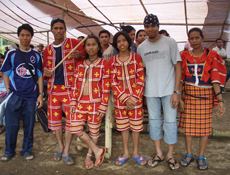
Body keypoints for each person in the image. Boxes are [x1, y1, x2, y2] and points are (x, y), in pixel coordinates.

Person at [137, 14, 182, 171]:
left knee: (170, 124)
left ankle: (170, 154)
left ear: (158, 26)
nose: (150, 29)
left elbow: (178, 67)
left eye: (153, 26)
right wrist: (142, 94)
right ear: (144, 28)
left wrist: (177, 91)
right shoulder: (141, 47)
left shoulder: (170, 42)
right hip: (150, 92)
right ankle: (159, 153)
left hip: (169, 90)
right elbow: (141, 71)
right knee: (154, 123)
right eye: (147, 26)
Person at [179, 28, 226, 171]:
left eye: (196, 38)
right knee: (188, 129)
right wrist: (180, 97)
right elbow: (180, 78)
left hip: (205, 97)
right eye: (191, 39)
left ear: (202, 38)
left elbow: (215, 79)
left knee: (204, 129)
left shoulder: (212, 55)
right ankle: (189, 154)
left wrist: (220, 100)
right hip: (189, 96)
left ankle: (201, 156)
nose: (194, 41)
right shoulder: (184, 56)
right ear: (189, 40)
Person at [43, 18, 85, 165]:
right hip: (53, 89)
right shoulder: (47, 50)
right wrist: (46, 72)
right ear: (51, 30)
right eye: (56, 28)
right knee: (55, 121)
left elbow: (86, 57)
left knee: (71, 120)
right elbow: (43, 69)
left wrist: (80, 56)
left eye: (61, 28)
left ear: (65, 29)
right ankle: (60, 146)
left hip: (70, 88)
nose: (59, 31)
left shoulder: (74, 44)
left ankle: (66, 149)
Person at [0, 24, 44, 161]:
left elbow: (40, 75)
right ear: (18, 36)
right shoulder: (11, 54)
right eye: (22, 35)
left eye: (28, 35)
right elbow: (5, 73)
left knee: (29, 125)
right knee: (12, 125)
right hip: (15, 95)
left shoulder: (36, 55)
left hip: (31, 96)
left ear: (31, 37)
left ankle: (26, 150)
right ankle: (9, 151)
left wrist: (41, 95)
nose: (25, 38)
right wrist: (8, 90)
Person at [70, 35, 109, 169]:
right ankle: (98, 150)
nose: (91, 47)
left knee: (94, 130)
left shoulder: (104, 64)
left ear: (98, 47)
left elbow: (106, 87)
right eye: (88, 45)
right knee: (75, 128)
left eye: (93, 44)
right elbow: (75, 85)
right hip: (80, 102)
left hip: (96, 103)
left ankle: (89, 155)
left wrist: (103, 105)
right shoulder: (80, 65)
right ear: (85, 48)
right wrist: (73, 102)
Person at [109, 31, 146, 166]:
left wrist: (133, 98)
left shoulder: (136, 58)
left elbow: (141, 79)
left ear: (128, 42)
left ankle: (135, 152)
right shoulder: (112, 61)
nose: (121, 43)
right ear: (116, 44)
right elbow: (113, 82)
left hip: (136, 100)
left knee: (136, 127)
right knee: (123, 127)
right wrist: (125, 99)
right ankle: (126, 152)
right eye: (118, 41)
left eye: (124, 40)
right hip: (120, 101)